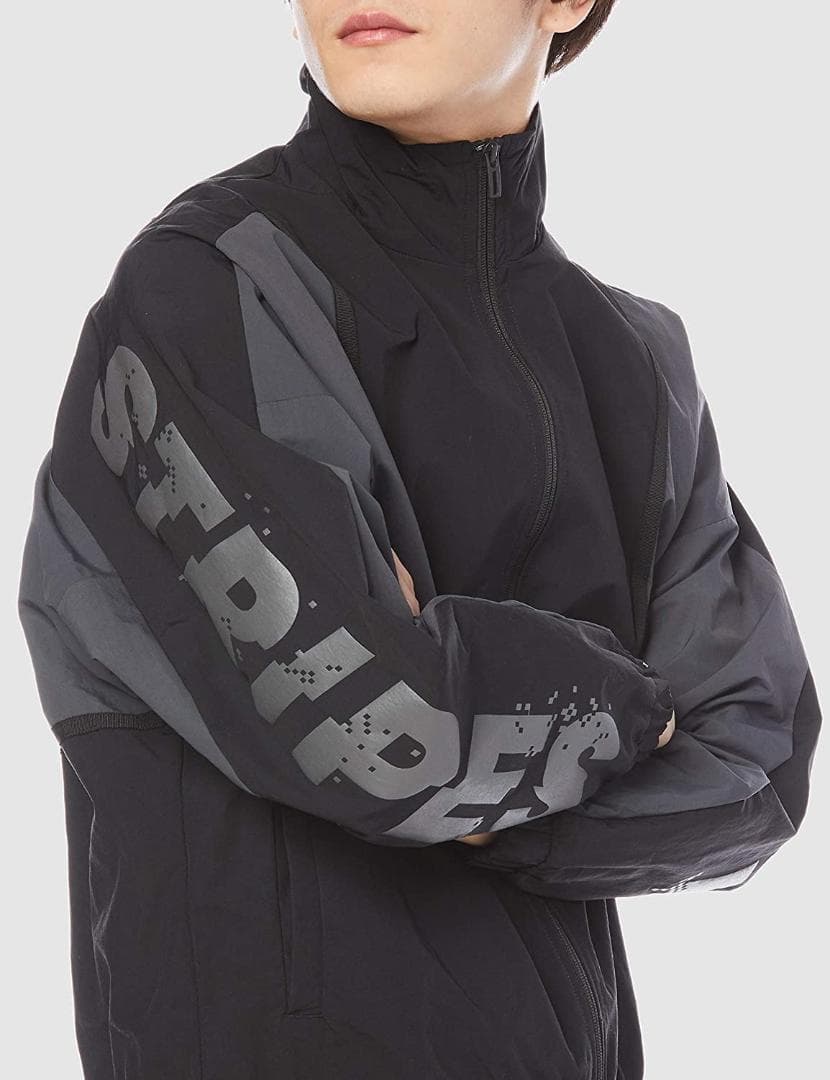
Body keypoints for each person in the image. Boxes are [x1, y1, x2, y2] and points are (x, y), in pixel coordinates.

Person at [17, 2, 821, 1077]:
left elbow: (758, 772)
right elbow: (383, 734)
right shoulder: (208, 286)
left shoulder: (632, 359)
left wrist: (486, 748)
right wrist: (639, 704)